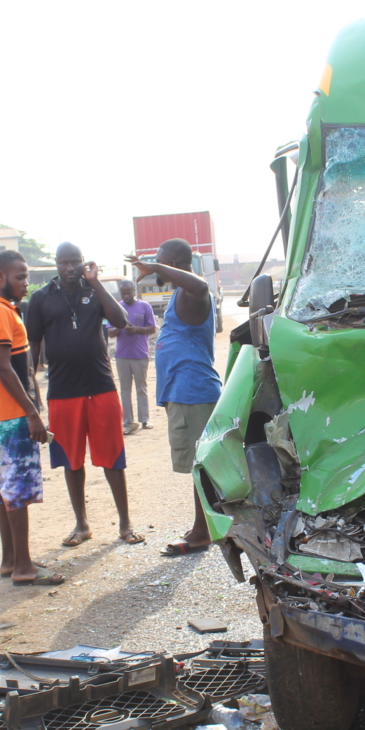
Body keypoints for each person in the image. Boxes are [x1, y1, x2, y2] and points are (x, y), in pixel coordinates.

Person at [25, 242, 142, 547]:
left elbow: (119, 321)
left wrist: (95, 282)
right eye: (63, 262)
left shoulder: (93, 291)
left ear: (82, 263)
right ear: (55, 263)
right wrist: (31, 391)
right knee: (71, 460)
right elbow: (33, 347)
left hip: (101, 386)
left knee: (113, 457)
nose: (69, 268)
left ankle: (126, 523)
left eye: (74, 262)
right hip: (63, 391)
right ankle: (82, 524)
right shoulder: (40, 298)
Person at [128, 238, 223, 556]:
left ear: (178, 266)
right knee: (201, 465)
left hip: (191, 392)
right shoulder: (180, 295)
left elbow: (201, 287)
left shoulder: (191, 293)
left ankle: (202, 532)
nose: (156, 266)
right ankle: (205, 526)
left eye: (162, 261)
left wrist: (156, 267)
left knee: (199, 466)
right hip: (185, 392)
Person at [0, 251, 61, 585]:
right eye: (20, 277)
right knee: (17, 490)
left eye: (26, 277)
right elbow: (2, 368)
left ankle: (11, 559)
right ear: (0, 277)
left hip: (1, 417)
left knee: (5, 491)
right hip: (12, 416)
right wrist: (32, 413)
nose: (26, 283)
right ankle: (23, 566)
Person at [107, 279, 157, 434]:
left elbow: (152, 328)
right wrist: (121, 327)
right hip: (122, 355)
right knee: (125, 390)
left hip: (140, 354)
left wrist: (137, 329)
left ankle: (145, 419)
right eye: (123, 293)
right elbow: (110, 332)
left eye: (129, 292)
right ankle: (128, 422)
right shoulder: (116, 307)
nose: (126, 296)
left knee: (141, 388)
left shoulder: (144, 306)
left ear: (134, 291)